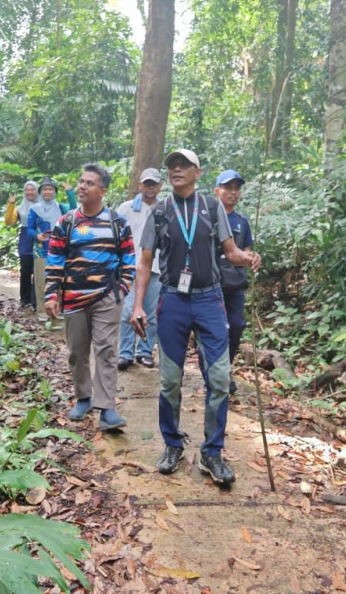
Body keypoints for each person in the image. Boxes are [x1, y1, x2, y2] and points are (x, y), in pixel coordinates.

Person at [131, 149, 261, 485]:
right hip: (173, 299)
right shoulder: (159, 211)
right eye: (172, 165)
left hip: (209, 299)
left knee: (218, 379)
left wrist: (247, 257)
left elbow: (230, 252)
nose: (175, 169)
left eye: (183, 165)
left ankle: (212, 452)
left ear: (197, 172)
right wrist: (137, 305)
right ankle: (172, 444)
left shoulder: (213, 206)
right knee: (169, 380)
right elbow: (144, 262)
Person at [44, 164, 136, 431]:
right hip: (73, 298)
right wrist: (52, 294)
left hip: (107, 297)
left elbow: (129, 259)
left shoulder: (117, 221)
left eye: (90, 183)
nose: (82, 186)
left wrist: (122, 289)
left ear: (103, 191)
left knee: (106, 351)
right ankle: (84, 397)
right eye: (81, 181)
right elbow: (55, 261)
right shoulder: (66, 222)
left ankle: (107, 409)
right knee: (77, 353)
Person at [117, 168, 163, 370]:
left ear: (160, 186)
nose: (150, 187)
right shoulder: (126, 208)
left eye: (154, 184)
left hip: (157, 268)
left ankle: (144, 351)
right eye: (147, 184)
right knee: (128, 310)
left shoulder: (164, 209)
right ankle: (125, 352)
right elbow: (115, 235)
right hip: (130, 267)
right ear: (140, 185)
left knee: (152, 313)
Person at [214, 170, 254, 394]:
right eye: (228, 187)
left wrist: (253, 259)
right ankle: (216, 373)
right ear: (217, 190)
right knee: (215, 328)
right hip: (213, 283)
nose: (232, 192)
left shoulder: (242, 221)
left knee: (236, 325)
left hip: (236, 284)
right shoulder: (208, 216)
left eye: (236, 188)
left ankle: (225, 369)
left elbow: (246, 251)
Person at [27, 178, 76, 321]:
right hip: (41, 249)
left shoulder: (62, 208)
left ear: (55, 192)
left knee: (60, 280)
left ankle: (58, 309)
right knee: (42, 280)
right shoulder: (34, 209)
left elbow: (75, 211)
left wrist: (70, 193)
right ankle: (42, 311)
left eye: (50, 189)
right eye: (45, 190)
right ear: (40, 192)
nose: (47, 192)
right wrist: (37, 236)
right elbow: (29, 229)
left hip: (61, 250)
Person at [4, 180, 40, 309]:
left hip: (41, 238)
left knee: (38, 271)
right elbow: (9, 222)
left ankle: (36, 299)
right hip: (25, 239)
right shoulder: (20, 208)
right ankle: (25, 298)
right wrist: (11, 205)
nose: (29, 192)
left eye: (32, 189)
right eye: (27, 190)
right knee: (25, 270)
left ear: (37, 191)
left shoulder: (44, 205)